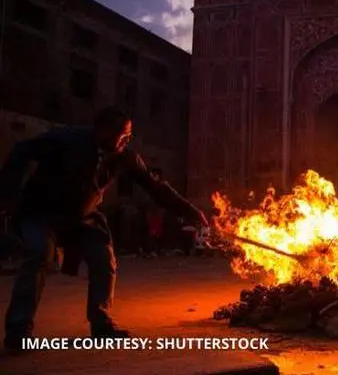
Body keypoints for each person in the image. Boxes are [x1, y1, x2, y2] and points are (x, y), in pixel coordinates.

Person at [0, 106, 208, 351]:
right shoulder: (65, 139)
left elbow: (156, 187)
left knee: (103, 258)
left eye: (129, 135)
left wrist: (191, 212)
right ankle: (18, 330)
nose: (127, 140)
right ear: (102, 131)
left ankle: (101, 324)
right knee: (39, 255)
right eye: (123, 134)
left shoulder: (125, 157)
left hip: (84, 218)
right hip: (42, 212)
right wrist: (7, 196)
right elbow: (21, 151)